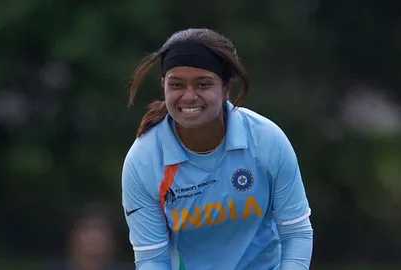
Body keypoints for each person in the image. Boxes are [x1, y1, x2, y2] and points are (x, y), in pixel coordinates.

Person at [121, 28, 313, 270]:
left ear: (225, 89)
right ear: (164, 87)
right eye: (177, 85)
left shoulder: (266, 139)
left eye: (203, 84)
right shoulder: (144, 160)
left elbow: (296, 231)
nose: (189, 96)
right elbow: (152, 260)